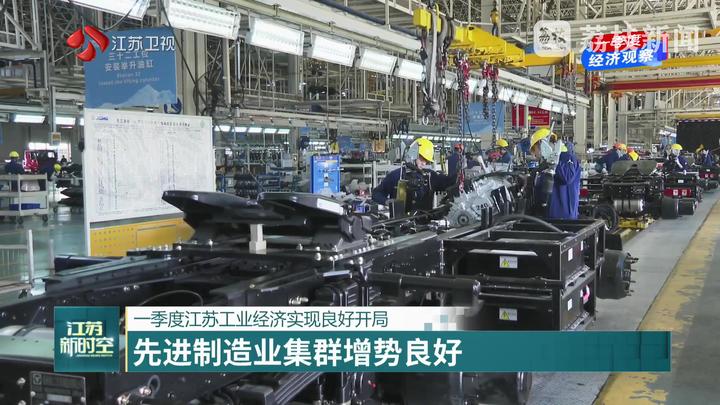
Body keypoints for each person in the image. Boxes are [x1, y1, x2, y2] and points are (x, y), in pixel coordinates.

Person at [372, 137, 452, 212]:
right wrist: (386, 201)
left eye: (427, 161)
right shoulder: (396, 175)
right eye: (422, 159)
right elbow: (376, 194)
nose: (424, 163)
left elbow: (448, 183)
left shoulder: (430, 176)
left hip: (425, 220)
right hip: (400, 220)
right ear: (413, 154)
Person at [529, 128, 581, 220]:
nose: (535, 154)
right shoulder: (544, 164)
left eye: (535, 149)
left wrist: (553, 161)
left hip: (564, 218)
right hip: (546, 218)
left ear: (542, 144)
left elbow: (567, 178)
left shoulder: (567, 158)